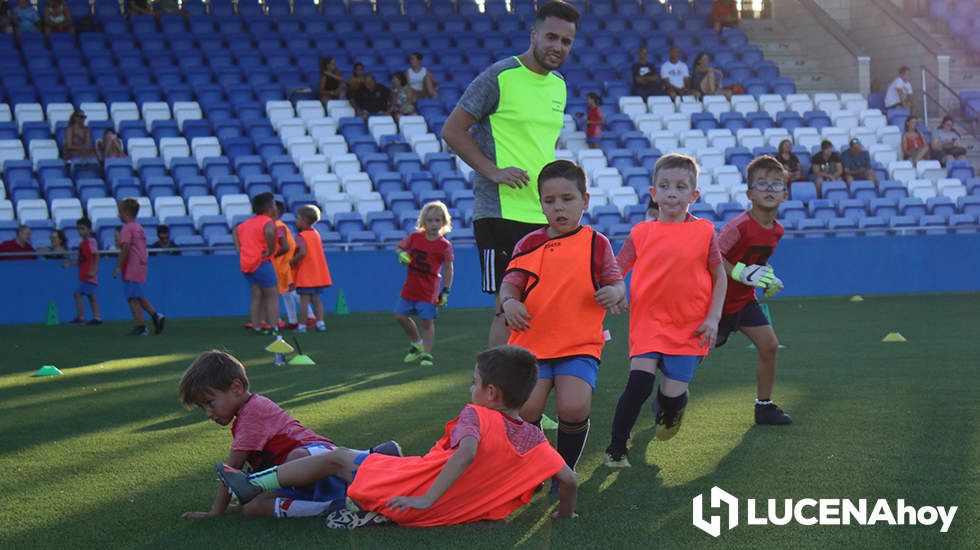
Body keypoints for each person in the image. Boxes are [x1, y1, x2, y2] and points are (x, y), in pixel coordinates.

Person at [216, 345, 578, 530]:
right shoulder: (536, 441)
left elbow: (466, 452)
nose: (471, 389)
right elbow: (569, 480)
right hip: (452, 513)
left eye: (474, 382)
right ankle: (376, 473)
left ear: (492, 393)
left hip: (416, 497)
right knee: (362, 463)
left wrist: (426, 499)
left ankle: (254, 482)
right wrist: (565, 515)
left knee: (336, 458)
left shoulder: (478, 416)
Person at [441, 1, 580, 347]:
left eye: (566, 41)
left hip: (544, 213)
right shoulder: (499, 76)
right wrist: (494, 172)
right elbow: (453, 130)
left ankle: (524, 392)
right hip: (500, 213)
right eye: (551, 37)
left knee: (542, 308)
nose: (558, 47)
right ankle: (496, 396)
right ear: (533, 34)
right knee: (509, 308)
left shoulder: (559, 85)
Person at [499, 160, 626, 487]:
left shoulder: (598, 243)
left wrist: (613, 293)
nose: (559, 207)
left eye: (568, 199)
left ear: (585, 200)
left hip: (579, 344)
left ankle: (563, 471)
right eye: (550, 200)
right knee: (527, 409)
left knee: (573, 406)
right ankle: (540, 462)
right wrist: (510, 302)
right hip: (531, 346)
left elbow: (617, 282)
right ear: (540, 204)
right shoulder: (528, 244)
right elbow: (510, 284)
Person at [604, 154, 727, 467]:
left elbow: (719, 276)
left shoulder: (705, 232)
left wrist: (713, 318)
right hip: (648, 323)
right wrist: (617, 291)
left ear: (693, 195)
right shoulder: (641, 233)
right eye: (665, 186)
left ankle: (670, 409)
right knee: (639, 384)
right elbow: (617, 269)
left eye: (681, 187)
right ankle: (617, 448)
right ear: (653, 192)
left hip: (690, 326)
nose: (672, 193)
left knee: (671, 398)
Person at [178, 350, 400, 519]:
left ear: (236, 387)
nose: (208, 413)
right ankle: (331, 506)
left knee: (296, 458)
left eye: (209, 403)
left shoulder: (252, 413)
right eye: (202, 408)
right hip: (301, 480)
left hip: (319, 458)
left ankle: (369, 456)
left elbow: (232, 471)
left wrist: (215, 513)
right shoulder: (244, 416)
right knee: (253, 508)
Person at [717, 156, 793, 425]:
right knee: (692, 358)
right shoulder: (739, 225)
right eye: (762, 183)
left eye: (776, 184)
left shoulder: (777, 230)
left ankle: (764, 406)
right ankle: (670, 398)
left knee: (769, 345)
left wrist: (767, 277)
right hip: (714, 303)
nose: (770, 189)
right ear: (749, 194)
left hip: (743, 302)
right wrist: (739, 271)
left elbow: (756, 260)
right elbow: (710, 254)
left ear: (785, 193)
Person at [395, 201, 454, 367]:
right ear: (423, 222)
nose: (434, 224)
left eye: (438, 220)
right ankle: (417, 343)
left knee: (426, 322)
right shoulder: (414, 237)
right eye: (430, 221)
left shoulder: (445, 245)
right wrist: (401, 255)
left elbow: (449, 269)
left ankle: (427, 354)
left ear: (444, 222)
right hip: (410, 287)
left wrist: (446, 291)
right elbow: (399, 248)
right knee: (400, 316)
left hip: (429, 290)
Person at [113, 198, 165, 336]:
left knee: (132, 297)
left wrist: (118, 266)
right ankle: (156, 316)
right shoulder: (139, 228)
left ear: (125, 212)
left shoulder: (127, 228)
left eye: (119, 211)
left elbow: (126, 248)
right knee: (137, 295)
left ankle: (141, 326)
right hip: (141, 265)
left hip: (131, 266)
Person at [232, 192, 279, 335]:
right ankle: (273, 327)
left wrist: (238, 248)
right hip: (261, 262)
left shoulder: (246, 224)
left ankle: (256, 326)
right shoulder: (267, 221)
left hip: (247, 264)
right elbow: (270, 233)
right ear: (270, 208)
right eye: (275, 204)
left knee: (256, 295)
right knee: (272, 295)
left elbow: (235, 231)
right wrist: (270, 250)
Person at [290, 205, 332, 333]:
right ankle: (320, 323)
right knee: (317, 299)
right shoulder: (316, 234)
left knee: (304, 301)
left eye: (297, 218)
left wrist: (292, 261)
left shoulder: (301, 236)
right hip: (317, 274)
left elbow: (302, 252)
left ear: (303, 220)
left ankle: (302, 326)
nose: (296, 221)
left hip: (305, 274)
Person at [64, 217, 101, 325]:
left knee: (78, 294)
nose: (80, 231)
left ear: (89, 230)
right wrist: (70, 264)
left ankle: (82, 317)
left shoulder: (91, 242)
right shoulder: (82, 244)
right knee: (90, 296)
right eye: (79, 229)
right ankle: (96, 317)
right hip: (84, 275)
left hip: (89, 275)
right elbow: (82, 261)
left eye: (83, 229)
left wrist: (94, 271)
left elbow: (96, 256)